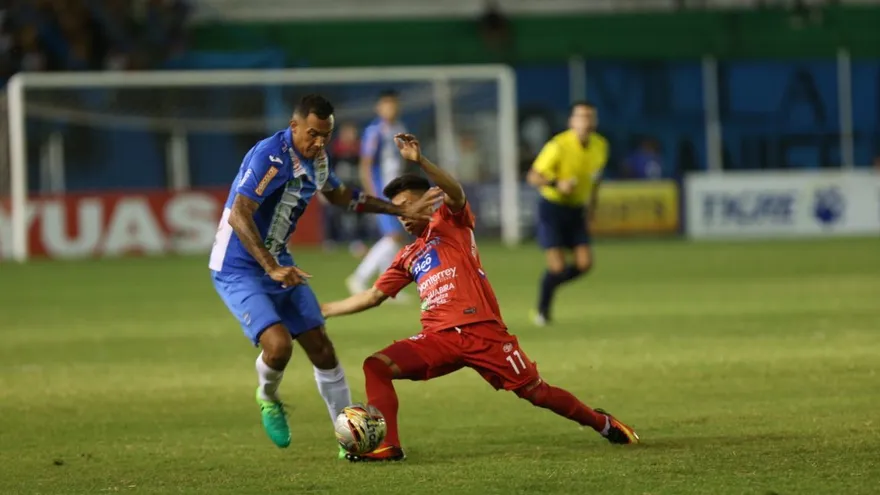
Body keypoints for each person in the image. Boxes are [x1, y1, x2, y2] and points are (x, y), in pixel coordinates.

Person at [321, 133, 638, 462]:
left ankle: (602, 424)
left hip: (482, 331)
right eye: (395, 211)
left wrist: (421, 161)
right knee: (376, 365)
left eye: (406, 206)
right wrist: (323, 309)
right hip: (438, 338)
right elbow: (373, 295)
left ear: (427, 201)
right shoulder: (407, 255)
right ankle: (388, 446)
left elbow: (455, 192)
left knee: (536, 392)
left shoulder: (452, 223)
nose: (401, 215)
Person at [208, 95, 440, 451]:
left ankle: (348, 439)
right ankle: (268, 396)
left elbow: (343, 197)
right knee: (278, 345)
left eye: (325, 136)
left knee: (323, 350)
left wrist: (395, 209)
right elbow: (240, 213)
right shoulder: (270, 157)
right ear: (294, 126)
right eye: (312, 134)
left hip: (280, 261)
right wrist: (270, 267)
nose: (318, 143)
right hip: (239, 266)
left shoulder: (317, 160)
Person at [526, 101, 609, 327]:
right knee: (558, 267)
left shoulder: (601, 146)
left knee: (585, 264)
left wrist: (592, 210)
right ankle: (543, 309)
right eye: (581, 117)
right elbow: (532, 176)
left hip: (576, 210)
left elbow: (596, 181)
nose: (586, 122)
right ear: (572, 121)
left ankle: (549, 285)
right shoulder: (558, 146)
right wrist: (556, 183)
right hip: (552, 208)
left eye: (590, 117)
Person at [346, 90, 410, 299]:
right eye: (386, 104)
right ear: (379, 107)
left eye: (393, 104)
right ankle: (359, 277)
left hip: (396, 190)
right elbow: (365, 164)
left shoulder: (400, 129)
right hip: (381, 190)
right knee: (394, 236)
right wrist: (372, 192)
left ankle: (387, 287)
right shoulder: (374, 131)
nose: (390, 108)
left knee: (393, 237)